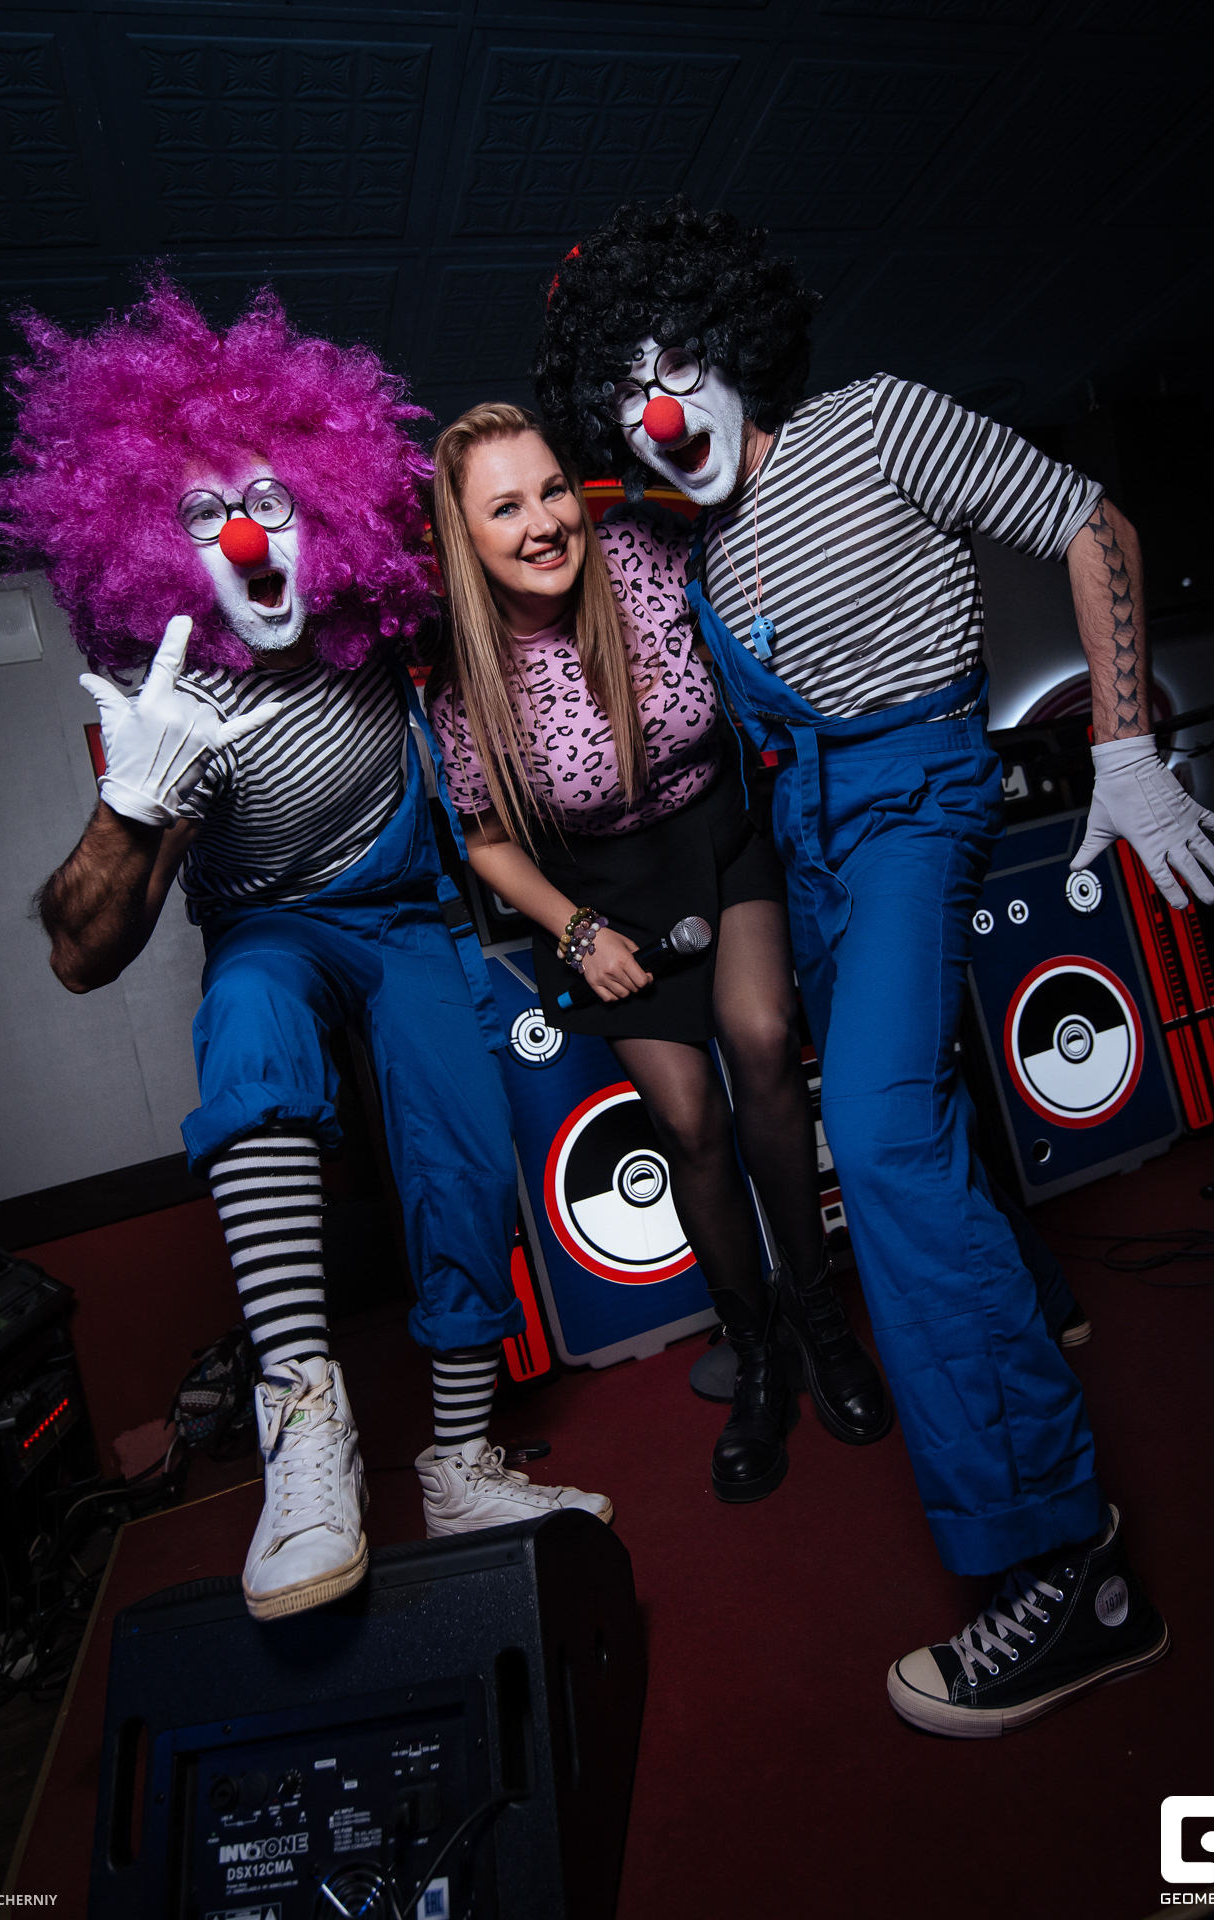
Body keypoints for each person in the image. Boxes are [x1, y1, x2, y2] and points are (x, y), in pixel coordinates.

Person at [534, 197, 1214, 1736]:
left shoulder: (872, 421)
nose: (659, 415)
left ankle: (1064, 1565)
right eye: (624, 398)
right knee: (914, 1120)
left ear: (729, 347)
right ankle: (1020, 1312)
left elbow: (1094, 524)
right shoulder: (695, 549)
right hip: (807, 847)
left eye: (674, 368)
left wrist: (1126, 748)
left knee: (879, 1142)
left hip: (915, 804)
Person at [0, 283, 610, 1623]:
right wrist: (132, 801)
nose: (245, 535)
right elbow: (82, 960)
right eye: (200, 515)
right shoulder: (183, 704)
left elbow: (510, 568)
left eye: (269, 499)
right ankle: (302, 1427)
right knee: (252, 1028)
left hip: (406, 912)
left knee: (464, 1138)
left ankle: (458, 1461)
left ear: (320, 504)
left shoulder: (373, 613)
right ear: (148, 546)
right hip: (270, 922)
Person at [425, 401, 891, 1502]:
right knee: (686, 1119)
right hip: (596, 896)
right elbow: (484, 841)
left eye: (551, 490)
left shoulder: (643, 553)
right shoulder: (461, 673)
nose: (544, 522)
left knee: (763, 1039)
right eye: (506, 507)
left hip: (718, 836)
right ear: (465, 535)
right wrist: (577, 933)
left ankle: (821, 1321)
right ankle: (757, 1355)